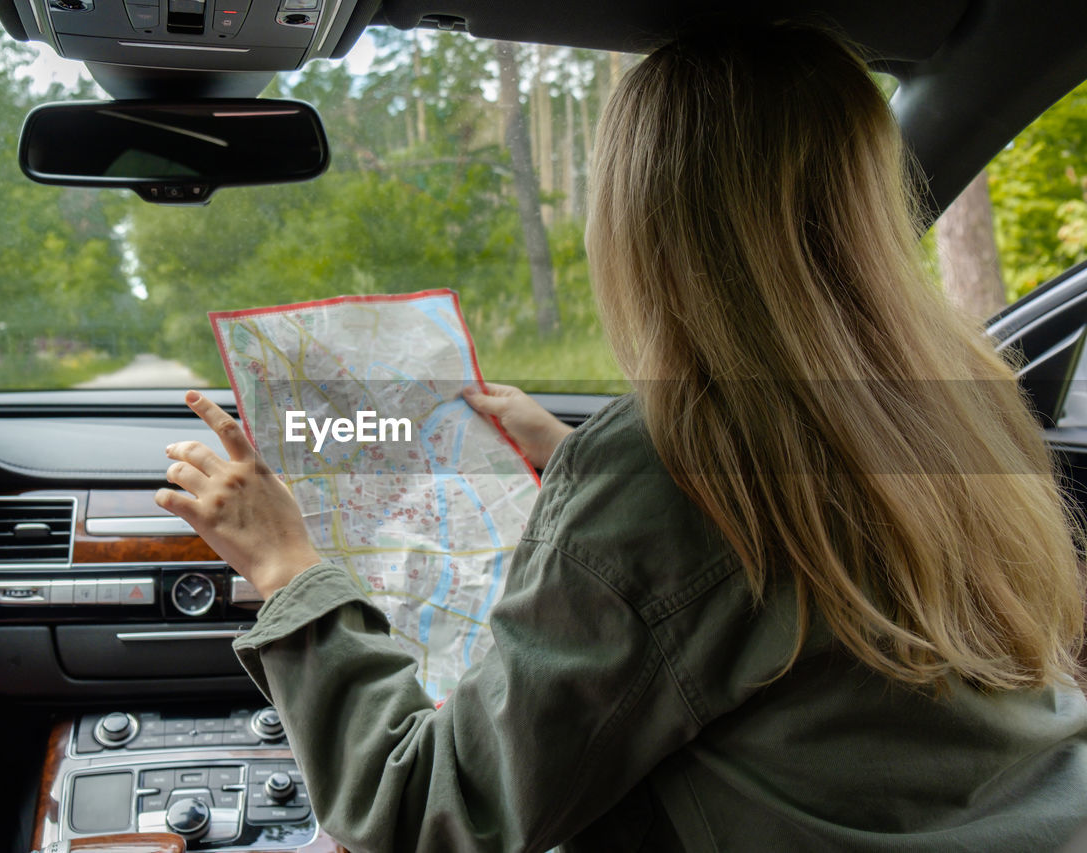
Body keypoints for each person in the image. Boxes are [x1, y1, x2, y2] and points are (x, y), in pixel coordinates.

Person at [156, 21, 1087, 852]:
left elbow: (428, 810)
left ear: (645, 225)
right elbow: (774, 572)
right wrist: (567, 456)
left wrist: (285, 569)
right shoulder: (961, 404)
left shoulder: (679, 462)